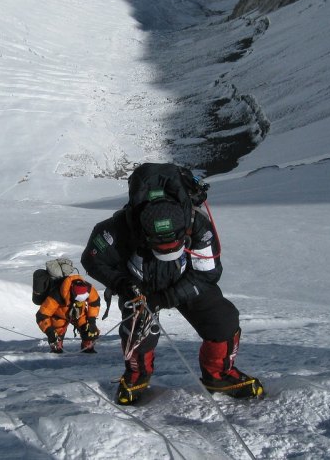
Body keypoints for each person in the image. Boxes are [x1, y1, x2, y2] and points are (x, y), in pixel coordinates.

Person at [81, 165, 263, 405]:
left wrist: (167, 297)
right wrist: (123, 284)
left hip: (185, 279)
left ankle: (218, 375)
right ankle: (137, 375)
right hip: (138, 285)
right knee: (137, 332)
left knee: (223, 319)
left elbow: (207, 273)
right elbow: (92, 259)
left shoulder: (197, 224)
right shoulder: (117, 229)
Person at [36, 274, 101, 353]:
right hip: (59, 317)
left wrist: (92, 322)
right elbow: (42, 315)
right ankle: (57, 348)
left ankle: (88, 346)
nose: (80, 302)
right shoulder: (56, 295)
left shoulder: (88, 288)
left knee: (89, 331)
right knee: (56, 342)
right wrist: (50, 333)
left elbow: (94, 302)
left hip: (79, 314)